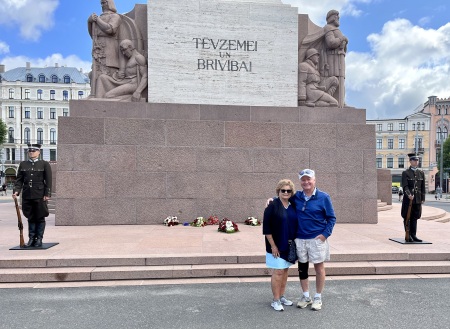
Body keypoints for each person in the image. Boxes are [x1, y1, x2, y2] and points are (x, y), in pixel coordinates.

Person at [291, 169, 336, 311]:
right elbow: (282, 198)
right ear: (300, 182)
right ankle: (306, 296)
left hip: (317, 239)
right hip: (300, 239)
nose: (306, 182)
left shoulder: (324, 197)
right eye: (303, 180)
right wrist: (271, 200)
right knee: (302, 269)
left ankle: (318, 297)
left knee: (319, 268)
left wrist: (325, 235)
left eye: (308, 179)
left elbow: (331, 218)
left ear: (314, 180)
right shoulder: (296, 196)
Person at [263, 179, 298, 311]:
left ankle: (282, 296)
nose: (286, 192)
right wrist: (273, 246)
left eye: (288, 190)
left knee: (285, 271)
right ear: (278, 191)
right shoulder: (272, 205)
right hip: (276, 246)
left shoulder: (292, 205)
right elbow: (266, 228)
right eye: (283, 190)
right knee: (278, 272)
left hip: (289, 245)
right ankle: (275, 300)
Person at [12, 144, 52, 248]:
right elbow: (19, 180)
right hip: (27, 194)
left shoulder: (44, 164)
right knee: (30, 217)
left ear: (39, 152)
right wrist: (16, 191)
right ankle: (31, 238)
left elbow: (48, 180)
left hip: (39, 194)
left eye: (34, 151)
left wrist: (47, 194)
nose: (31, 152)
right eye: (30, 151)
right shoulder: (23, 164)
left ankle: (39, 239)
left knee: (40, 217)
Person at [88, 0, 123, 97]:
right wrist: (90, 22)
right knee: (94, 74)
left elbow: (110, 29)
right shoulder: (101, 17)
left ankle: (107, 95)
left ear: (110, 3)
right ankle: (95, 94)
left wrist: (97, 20)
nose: (102, 5)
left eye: (104, 3)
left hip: (109, 48)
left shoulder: (115, 16)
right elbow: (93, 35)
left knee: (108, 74)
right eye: (101, 3)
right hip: (98, 49)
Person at [323, 10, 348, 107]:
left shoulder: (337, 30)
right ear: (332, 17)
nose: (338, 18)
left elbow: (342, 47)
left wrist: (344, 43)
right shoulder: (328, 28)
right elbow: (331, 43)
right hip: (332, 58)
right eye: (337, 16)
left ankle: (341, 102)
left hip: (339, 58)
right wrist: (342, 39)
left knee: (342, 80)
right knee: (335, 79)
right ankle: (331, 100)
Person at [401, 153, 425, 242]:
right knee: (407, 217)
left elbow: (422, 187)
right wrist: (408, 195)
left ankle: (414, 235)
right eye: (414, 160)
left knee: (415, 217)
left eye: (417, 160)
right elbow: (405, 186)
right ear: (410, 161)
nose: (416, 162)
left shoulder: (421, 173)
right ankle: (408, 234)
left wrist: (422, 198)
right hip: (408, 200)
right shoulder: (406, 173)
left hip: (417, 199)